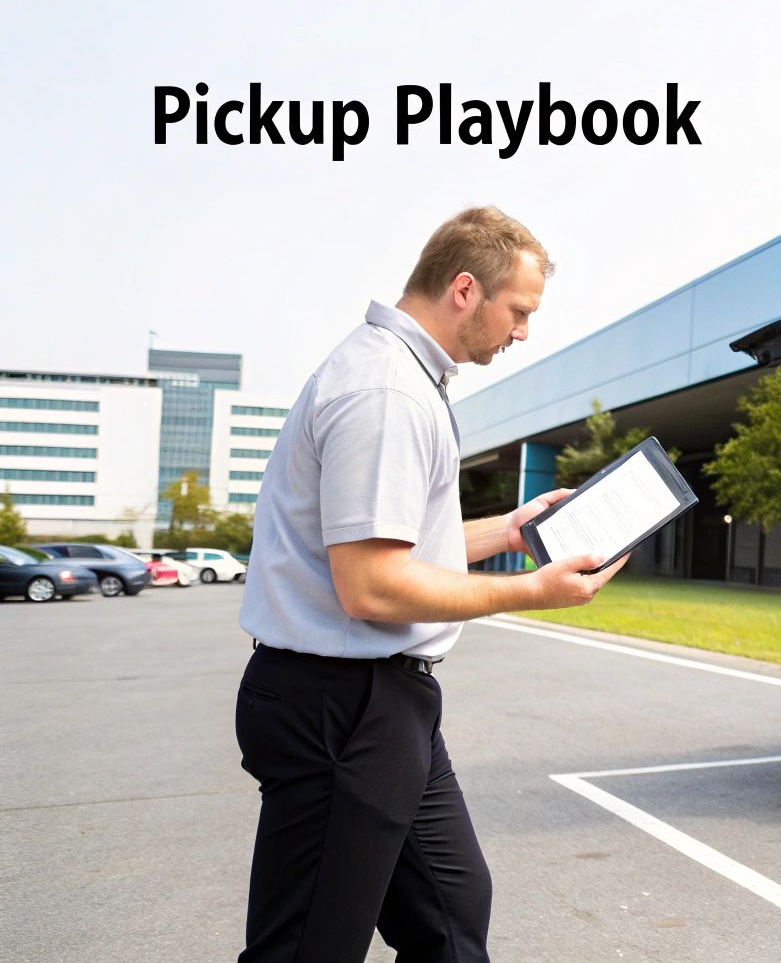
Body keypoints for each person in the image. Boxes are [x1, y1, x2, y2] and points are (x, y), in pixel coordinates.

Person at [234, 206, 621, 963]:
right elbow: (373, 587)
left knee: (449, 913)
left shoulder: (400, 375)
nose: (523, 334)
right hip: (341, 708)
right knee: (307, 948)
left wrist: (511, 532)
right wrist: (530, 591)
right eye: (519, 312)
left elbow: (398, 549)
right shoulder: (387, 393)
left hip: (380, 703)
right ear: (466, 290)